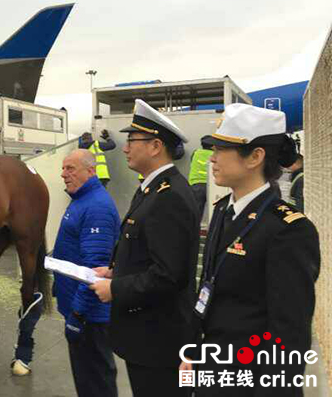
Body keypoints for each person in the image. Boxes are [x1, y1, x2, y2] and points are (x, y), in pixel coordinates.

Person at [180, 104, 320, 396]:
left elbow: (289, 337)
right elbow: (210, 289)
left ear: (256, 157)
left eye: (221, 150)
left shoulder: (289, 230)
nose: (212, 158)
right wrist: (193, 354)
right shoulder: (222, 211)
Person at [90, 99, 199, 397]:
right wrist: (115, 272)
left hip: (160, 342)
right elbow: (146, 251)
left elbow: (168, 274)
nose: (125, 148)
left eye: (132, 141)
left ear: (155, 146)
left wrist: (116, 290)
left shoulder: (169, 196)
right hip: (147, 338)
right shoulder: (151, 188)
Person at [53, 149, 120, 397]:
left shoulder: (97, 207)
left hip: (90, 316)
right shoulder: (82, 199)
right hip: (79, 309)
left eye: (70, 168)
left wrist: (78, 314)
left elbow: (95, 270)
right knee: (87, 380)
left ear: (90, 171)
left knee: (96, 381)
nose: (63, 174)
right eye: (63, 168)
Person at [188, 140, 214, 219]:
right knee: (213, 210)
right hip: (212, 185)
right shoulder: (214, 155)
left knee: (196, 210)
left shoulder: (196, 153)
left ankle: (194, 229)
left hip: (196, 184)